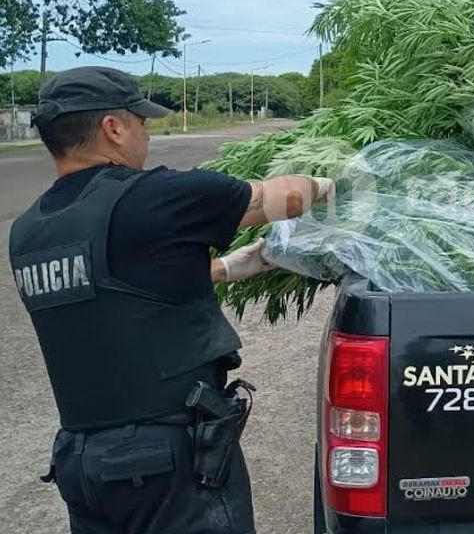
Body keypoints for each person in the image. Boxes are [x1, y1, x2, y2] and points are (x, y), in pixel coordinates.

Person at [8, 67, 334, 534]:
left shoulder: (29, 231)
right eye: (141, 122)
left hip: (81, 463)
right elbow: (283, 199)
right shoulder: (156, 197)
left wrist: (225, 268)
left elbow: (115, 289)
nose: (146, 134)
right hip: (162, 465)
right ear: (113, 127)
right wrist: (329, 184)